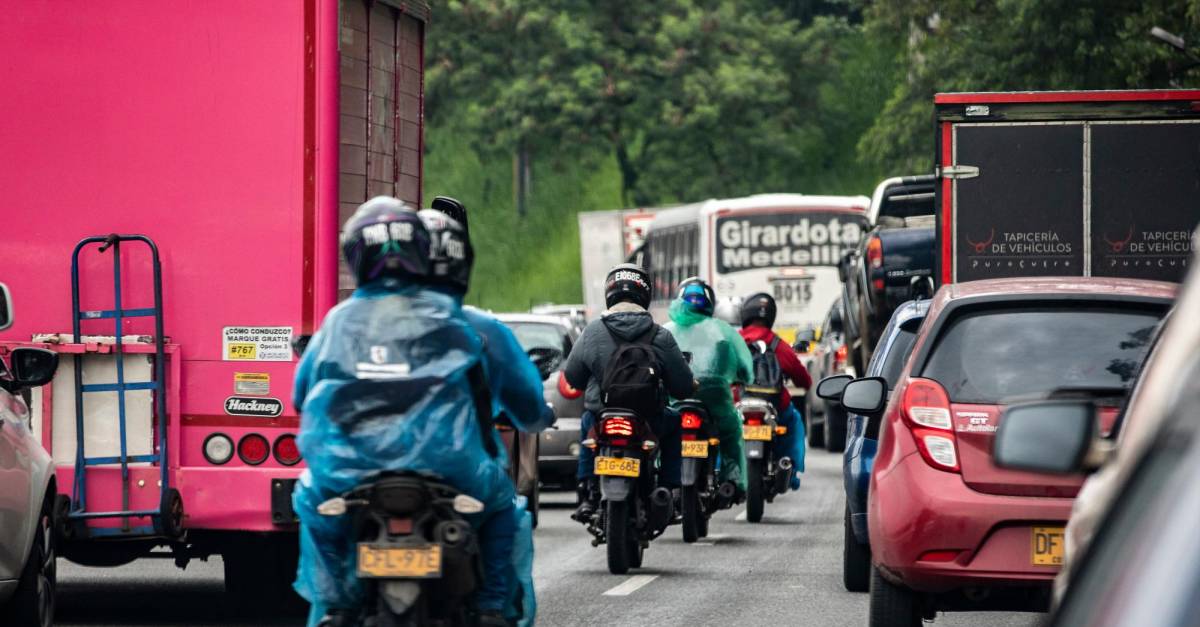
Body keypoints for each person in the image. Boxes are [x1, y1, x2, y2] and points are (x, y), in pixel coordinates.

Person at [292, 197, 550, 627]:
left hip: (347, 472)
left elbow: (302, 396)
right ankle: (491, 606)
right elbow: (526, 402)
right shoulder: (462, 321)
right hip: (454, 469)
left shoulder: (338, 322)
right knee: (506, 510)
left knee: (312, 503)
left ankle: (334, 607)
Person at [562, 263, 695, 521]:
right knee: (675, 421)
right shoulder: (661, 335)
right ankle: (670, 489)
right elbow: (682, 386)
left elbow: (573, 378)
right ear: (645, 294)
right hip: (649, 419)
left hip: (602, 415)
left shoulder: (592, 332)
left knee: (588, 424)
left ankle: (588, 491)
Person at [663, 277, 754, 500]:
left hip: (675, 399)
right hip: (715, 399)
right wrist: (745, 378)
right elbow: (745, 366)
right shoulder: (723, 331)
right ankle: (733, 481)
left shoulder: (665, 332)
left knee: (661, 436)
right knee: (731, 434)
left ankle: (663, 480)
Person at [738, 292, 812, 489]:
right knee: (794, 423)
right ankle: (792, 472)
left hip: (738, 403)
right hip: (775, 406)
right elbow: (803, 379)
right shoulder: (778, 345)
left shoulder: (735, 342)